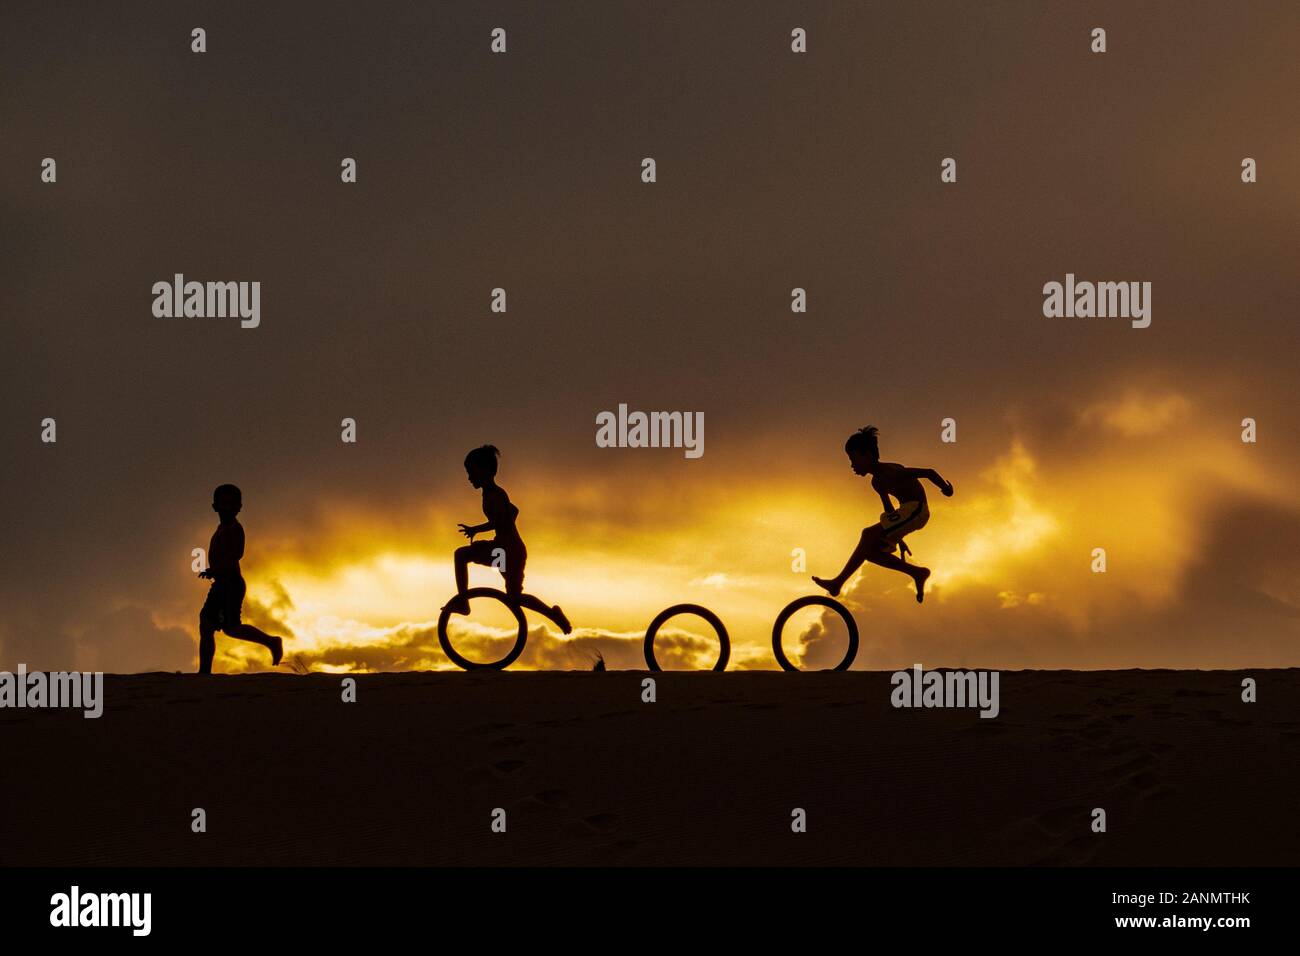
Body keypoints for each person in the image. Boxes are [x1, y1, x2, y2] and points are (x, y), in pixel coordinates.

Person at [812, 426, 953, 603]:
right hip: (905, 514)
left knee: (867, 534)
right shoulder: (877, 482)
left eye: (854, 459)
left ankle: (837, 583)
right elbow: (889, 513)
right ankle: (917, 572)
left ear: (868, 455)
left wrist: (946, 489)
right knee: (869, 551)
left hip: (917, 509)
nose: (852, 465)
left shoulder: (891, 472)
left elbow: (928, 472)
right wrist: (898, 538)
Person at [443, 445, 572, 632]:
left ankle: (463, 602)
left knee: (461, 555)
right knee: (514, 598)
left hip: (505, 551)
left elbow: (500, 520)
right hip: (507, 550)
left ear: (486, 470)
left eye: (472, 472)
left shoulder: (495, 495)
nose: (469, 477)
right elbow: (513, 511)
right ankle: (553, 614)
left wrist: (476, 529)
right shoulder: (492, 493)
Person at [197, 483, 285, 672]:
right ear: (215, 506)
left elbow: (236, 554)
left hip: (230, 584)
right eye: (223, 504)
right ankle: (204, 672)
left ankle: (271, 641)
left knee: (229, 627)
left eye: (231, 504)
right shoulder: (221, 528)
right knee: (207, 623)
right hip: (221, 584)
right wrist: (214, 571)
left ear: (239, 507)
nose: (227, 508)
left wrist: (216, 569)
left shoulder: (235, 529)